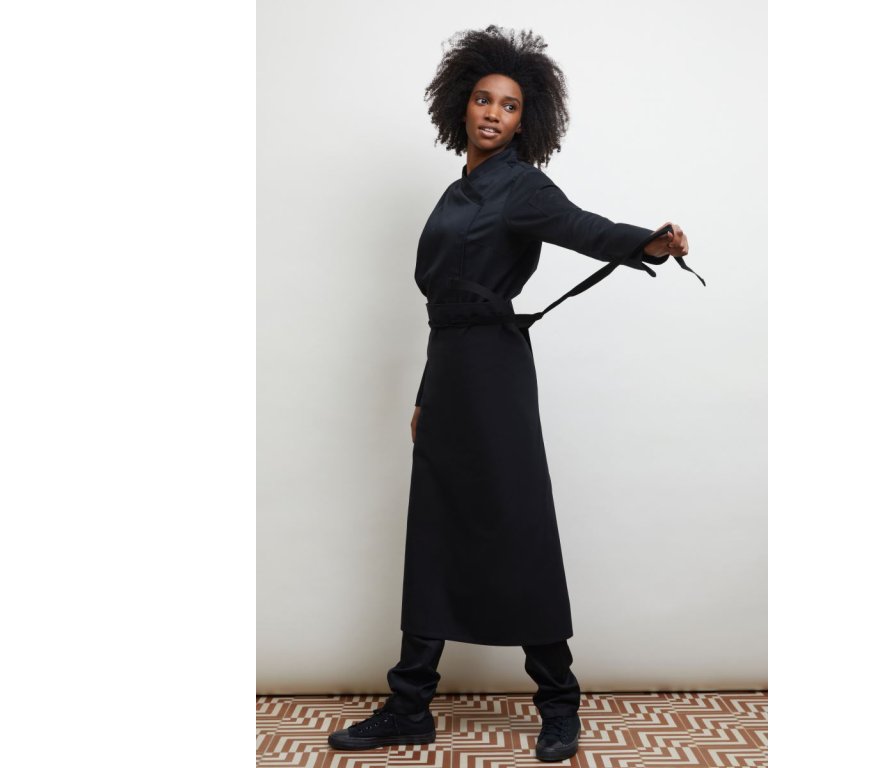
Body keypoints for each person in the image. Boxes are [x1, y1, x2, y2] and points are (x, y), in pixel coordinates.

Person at [328, 24, 700, 763]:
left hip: (496, 374)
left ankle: (559, 702)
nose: (493, 113)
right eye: (483, 99)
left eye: (508, 105)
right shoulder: (452, 192)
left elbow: (583, 227)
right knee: (433, 531)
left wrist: (649, 241)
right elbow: (442, 304)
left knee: (517, 525)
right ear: (460, 106)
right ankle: (409, 705)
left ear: (526, 120)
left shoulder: (522, 186)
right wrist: (426, 393)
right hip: (449, 374)